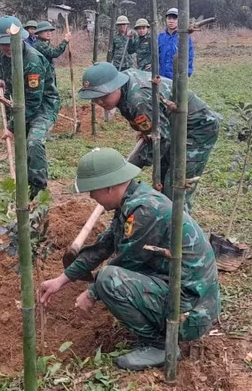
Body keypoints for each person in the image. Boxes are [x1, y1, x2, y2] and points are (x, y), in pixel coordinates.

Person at [38, 148, 220, 371]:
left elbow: (126, 261)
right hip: (182, 293)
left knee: (108, 279)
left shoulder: (145, 210)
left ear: (108, 187)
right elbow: (104, 246)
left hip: (190, 313)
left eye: (92, 191)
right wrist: (61, 280)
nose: (90, 197)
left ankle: (160, 346)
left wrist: (91, 293)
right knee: (107, 277)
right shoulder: (133, 200)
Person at [78, 62, 220, 213]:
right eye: (94, 97)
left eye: (103, 96)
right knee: (165, 181)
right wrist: (148, 129)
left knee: (176, 187)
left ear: (116, 86)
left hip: (197, 128)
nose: (99, 102)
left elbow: (161, 141)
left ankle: (180, 231)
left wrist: (129, 168)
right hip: (171, 126)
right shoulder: (125, 84)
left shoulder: (139, 100)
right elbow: (155, 128)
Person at [0, 15, 60, 199]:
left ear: (20, 39)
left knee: (33, 143)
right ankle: (24, 188)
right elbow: (0, 65)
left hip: (43, 106)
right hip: (21, 105)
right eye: (1, 43)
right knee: (22, 147)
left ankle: (38, 193)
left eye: (9, 43)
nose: (6, 47)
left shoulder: (33, 61)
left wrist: (12, 127)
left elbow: (33, 102)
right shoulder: (3, 51)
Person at [158, 8, 194, 79]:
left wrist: (188, 72)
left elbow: (189, 55)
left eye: (174, 18)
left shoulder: (184, 37)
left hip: (178, 77)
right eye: (169, 18)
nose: (171, 21)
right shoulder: (160, 37)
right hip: (162, 76)